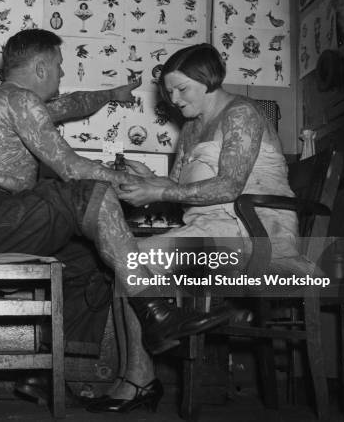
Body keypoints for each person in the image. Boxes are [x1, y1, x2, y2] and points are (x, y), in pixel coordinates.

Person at [0, 31, 231, 406]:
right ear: (41, 66)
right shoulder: (18, 99)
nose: (62, 72)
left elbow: (72, 104)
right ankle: (155, 310)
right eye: (57, 65)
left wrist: (112, 94)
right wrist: (138, 183)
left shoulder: (12, 102)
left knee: (97, 261)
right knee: (92, 194)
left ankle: (44, 372)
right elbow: (71, 167)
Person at [85, 43, 301, 413]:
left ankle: (139, 381)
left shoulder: (241, 114)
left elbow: (229, 186)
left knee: (132, 261)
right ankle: (132, 378)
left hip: (256, 233)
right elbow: (181, 194)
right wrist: (150, 180)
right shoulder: (189, 129)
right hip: (210, 229)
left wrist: (162, 188)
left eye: (182, 88)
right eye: (169, 91)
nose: (173, 98)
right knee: (125, 259)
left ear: (209, 80)